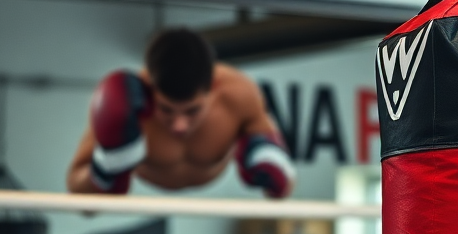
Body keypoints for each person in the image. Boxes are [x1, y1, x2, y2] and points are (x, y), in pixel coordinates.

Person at [67, 28, 295, 199]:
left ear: (213, 88)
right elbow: (79, 197)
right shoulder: (124, 100)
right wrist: (105, 169)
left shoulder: (239, 95)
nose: (179, 125)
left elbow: (283, 191)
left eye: (192, 111)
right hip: (145, 200)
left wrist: (274, 170)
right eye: (166, 110)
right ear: (150, 90)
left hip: (210, 205)